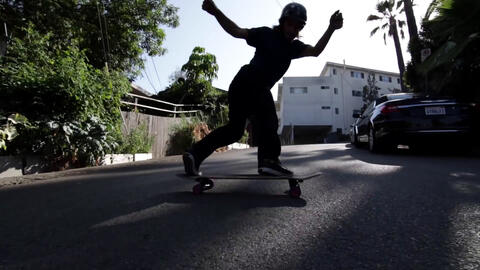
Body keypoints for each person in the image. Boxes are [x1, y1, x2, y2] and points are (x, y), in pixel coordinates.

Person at [183, 0, 343, 176]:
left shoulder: (294, 48)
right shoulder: (265, 34)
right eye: (290, 24)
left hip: (244, 87)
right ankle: (269, 161)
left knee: (234, 131)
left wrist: (331, 29)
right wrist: (215, 11)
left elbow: (316, 51)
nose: (292, 30)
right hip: (250, 80)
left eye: (297, 27)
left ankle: (194, 155)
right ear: (283, 22)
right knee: (270, 121)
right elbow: (237, 31)